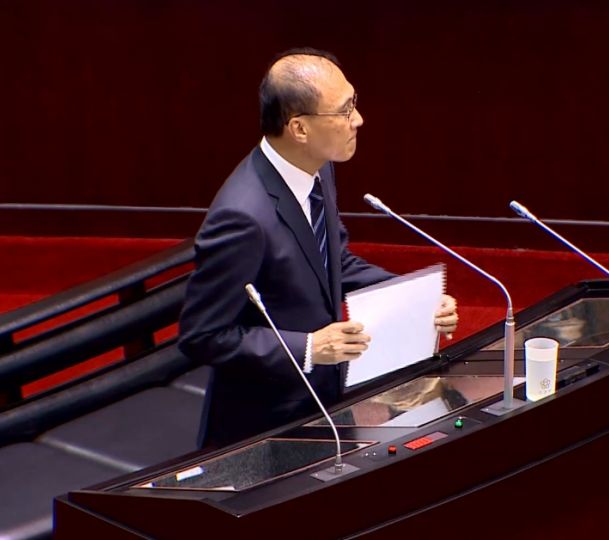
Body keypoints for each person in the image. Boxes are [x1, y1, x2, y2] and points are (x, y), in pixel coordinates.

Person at [178, 48, 458, 446]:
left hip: (324, 397)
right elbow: (203, 336)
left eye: (354, 103)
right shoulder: (242, 218)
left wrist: (416, 298)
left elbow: (333, 262)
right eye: (344, 111)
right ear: (299, 128)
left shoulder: (316, 167)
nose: (358, 120)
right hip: (264, 426)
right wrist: (310, 347)